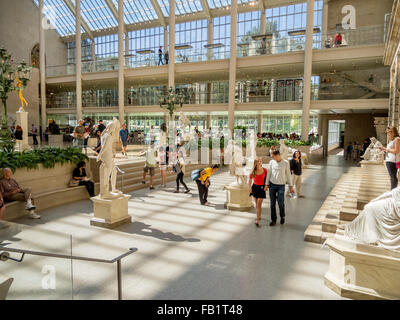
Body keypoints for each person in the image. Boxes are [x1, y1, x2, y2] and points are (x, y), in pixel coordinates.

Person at [265, 150, 294, 226]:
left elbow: (288, 175)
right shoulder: (271, 162)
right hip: (272, 185)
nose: (272, 157)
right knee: (272, 204)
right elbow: (269, 173)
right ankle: (273, 220)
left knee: (281, 203)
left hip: (281, 186)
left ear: (277, 155)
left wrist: (291, 186)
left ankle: (282, 216)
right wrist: (266, 184)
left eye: (273, 156)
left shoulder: (285, 163)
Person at [248, 158, 268, 227]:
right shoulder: (253, 171)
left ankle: (257, 220)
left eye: (260, 161)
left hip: (262, 188)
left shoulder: (265, 170)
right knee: (257, 205)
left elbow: (267, 180)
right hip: (255, 188)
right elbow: (250, 181)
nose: (259, 162)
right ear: (255, 163)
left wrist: (266, 186)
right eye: (258, 161)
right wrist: (250, 188)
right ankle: (258, 216)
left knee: (259, 205)